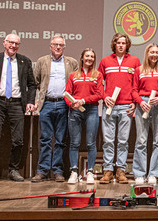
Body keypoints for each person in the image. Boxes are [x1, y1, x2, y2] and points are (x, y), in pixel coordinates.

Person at [0, 33, 37, 184]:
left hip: (17, 103)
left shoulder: (24, 61)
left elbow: (32, 85)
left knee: (18, 140)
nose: (13, 46)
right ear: (4, 43)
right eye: (11, 43)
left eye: (16, 44)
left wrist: (30, 101)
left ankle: (13, 170)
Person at [31, 35, 79, 183]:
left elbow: (76, 83)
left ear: (64, 47)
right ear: (50, 46)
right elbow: (35, 82)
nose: (58, 47)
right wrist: (37, 100)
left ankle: (58, 170)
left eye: (61, 45)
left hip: (64, 104)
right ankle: (42, 170)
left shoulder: (72, 62)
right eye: (55, 45)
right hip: (47, 104)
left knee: (60, 140)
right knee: (45, 139)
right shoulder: (41, 61)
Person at [98, 33, 140, 184]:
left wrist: (134, 103)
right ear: (114, 44)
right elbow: (98, 83)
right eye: (118, 43)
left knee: (123, 141)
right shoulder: (105, 61)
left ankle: (120, 170)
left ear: (127, 45)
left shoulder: (134, 61)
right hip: (109, 106)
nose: (121, 45)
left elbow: (137, 85)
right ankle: (108, 170)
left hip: (126, 107)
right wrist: (104, 97)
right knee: (108, 141)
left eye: (123, 43)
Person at [65, 48, 103, 184]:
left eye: (92, 56)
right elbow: (67, 93)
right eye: (87, 56)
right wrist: (71, 103)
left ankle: (90, 172)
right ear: (82, 58)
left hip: (91, 110)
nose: (89, 59)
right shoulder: (73, 75)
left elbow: (100, 94)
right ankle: (74, 172)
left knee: (91, 143)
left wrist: (84, 100)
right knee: (74, 143)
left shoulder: (98, 75)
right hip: (75, 110)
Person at [131, 43, 158, 185]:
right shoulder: (139, 70)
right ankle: (139, 173)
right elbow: (134, 90)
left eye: (157, 52)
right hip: (143, 105)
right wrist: (140, 102)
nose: (154, 55)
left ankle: (153, 173)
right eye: (152, 52)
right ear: (147, 54)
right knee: (141, 140)